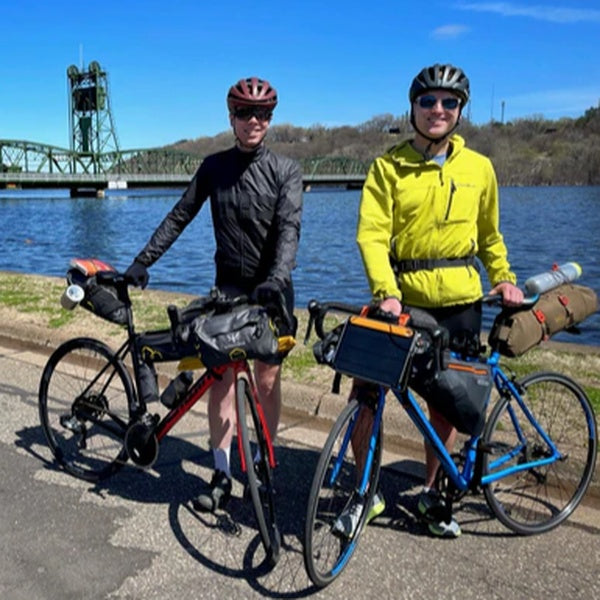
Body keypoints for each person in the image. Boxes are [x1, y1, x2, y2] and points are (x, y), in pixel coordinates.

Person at [334, 63, 523, 539]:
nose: (438, 110)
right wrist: (386, 292)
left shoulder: (479, 168)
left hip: (461, 302)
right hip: (401, 303)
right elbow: (372, 236)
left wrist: (503, 278)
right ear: (413, 106)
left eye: (449, 102)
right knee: (366, 397)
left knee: (446, 407)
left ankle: (434, 494)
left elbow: (489, 236)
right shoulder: (388, 166)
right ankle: (364, 492)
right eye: (428, 101)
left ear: (460, 111)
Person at [124, 76, 303, 512]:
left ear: (270, 119)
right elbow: (179, 216)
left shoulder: (286, 170)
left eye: (262, 114)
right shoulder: (214, 167)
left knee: (265, 377)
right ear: (232, 118)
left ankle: (260, 461)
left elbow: (289, 230)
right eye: (245, 113)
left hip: (271, 291)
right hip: (227, 290)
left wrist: (276, 278)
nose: (254, 121)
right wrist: (143, 260)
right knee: (219, 379)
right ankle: (221, 470)